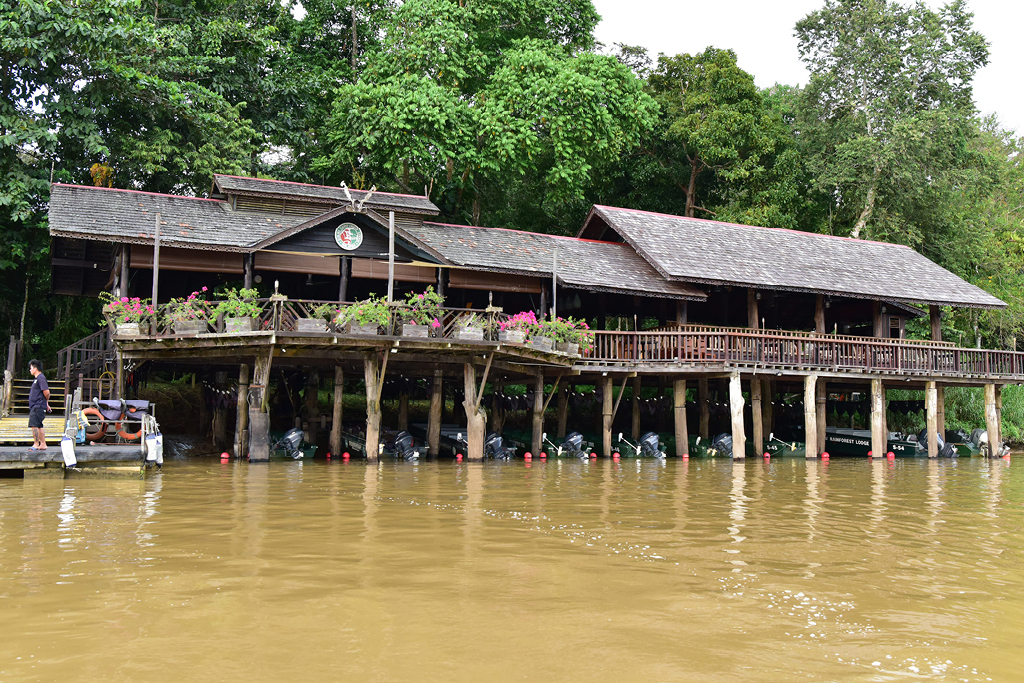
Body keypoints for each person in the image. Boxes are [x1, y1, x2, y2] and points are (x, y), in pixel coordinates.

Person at [28, 359, 51, 451]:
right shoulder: (37, 379)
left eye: (31, 368)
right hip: (37, 405)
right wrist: (46, 404)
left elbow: (46, 392)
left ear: (35, 368)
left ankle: (36, 444)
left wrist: (45, 402)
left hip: (38, 406)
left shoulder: (41, 378)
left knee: (34, 425)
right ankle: (43, 444)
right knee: (39, 425)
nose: (30, 370)